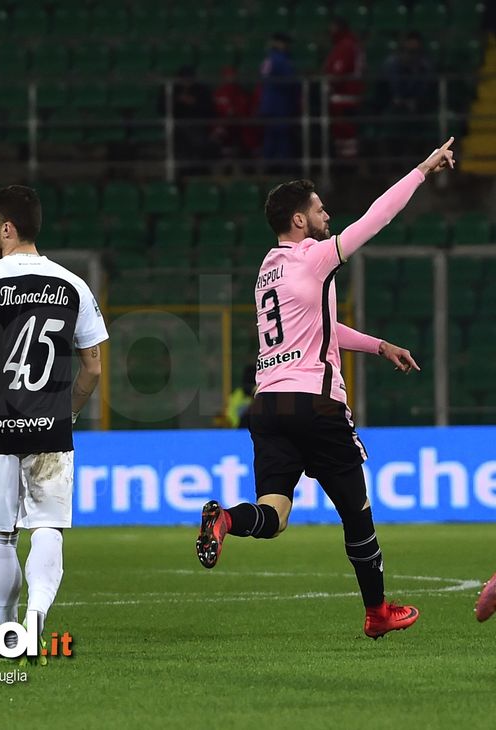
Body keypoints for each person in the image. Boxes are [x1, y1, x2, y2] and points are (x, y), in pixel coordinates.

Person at [196, 138, 456, 639]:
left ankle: (227, 519)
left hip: (267, 405)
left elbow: (321, 328)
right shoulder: (314, 258)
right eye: (317, 209)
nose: (326, 214)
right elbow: (375, 219)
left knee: (275, 512)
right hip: (315, 404)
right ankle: (377, 612)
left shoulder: (268, 272)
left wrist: (378, 345)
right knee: (357, 514)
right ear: (299, 221)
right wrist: (422, 169)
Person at [0, 185, 108, 664]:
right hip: (51, 424)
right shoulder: (73, 284)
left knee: (0, 534)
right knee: (49, 528)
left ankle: (7, 631)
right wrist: (69, 411)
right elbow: (93, 367)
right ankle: (37, 618)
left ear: (8, 229)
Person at [323, 17, 365, 159]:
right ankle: (347, 164)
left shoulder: (345, 45)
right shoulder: (350, 44)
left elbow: (337, 74)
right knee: (345, 136)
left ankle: (347, 166)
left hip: (344, 97)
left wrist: (328, 82)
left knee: (346, 135)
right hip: (349, 96)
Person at [257, 32, 299, 166]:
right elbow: (290, 81)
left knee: (271, 137)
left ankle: (269, 166)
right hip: (280, 103)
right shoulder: (280, 59)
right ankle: (282, 168)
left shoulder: (270, 59)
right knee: (281, 138)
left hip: (270, 104)